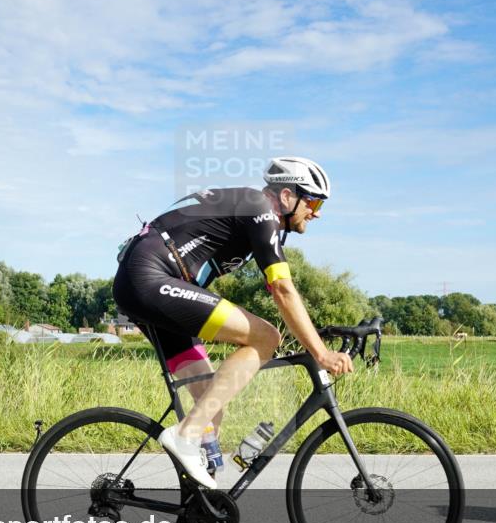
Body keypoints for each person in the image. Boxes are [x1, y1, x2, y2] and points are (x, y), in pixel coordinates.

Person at [112, 157, 353, 489]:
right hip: (149, 279)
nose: (317, 212)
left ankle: (202, 504)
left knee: (210, 404)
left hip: (147, 283)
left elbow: (281, 292)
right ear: (287, 197)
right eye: (313, 202)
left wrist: (316, 333)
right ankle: (184, 436)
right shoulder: (260, 210)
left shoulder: (253, 210)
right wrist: (321, 353)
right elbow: (282, 290)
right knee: (266, 338)